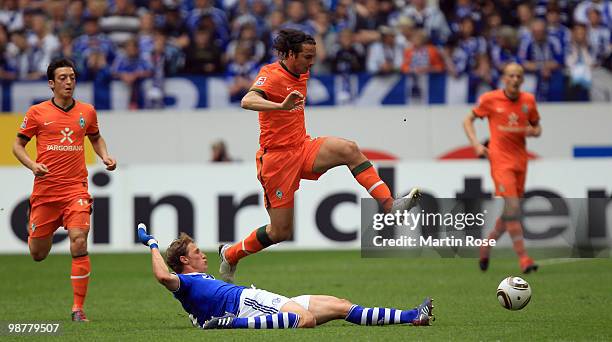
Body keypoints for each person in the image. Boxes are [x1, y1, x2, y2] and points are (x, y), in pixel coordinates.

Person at [218, 29, 420, 283]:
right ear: (290, 54)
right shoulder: (270, 74)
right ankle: (231, 254)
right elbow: (247, 100)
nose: (311, 62)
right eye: (307, 57)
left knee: (349, 149)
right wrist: (280, 106)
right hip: (277, 160)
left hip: (302, 147)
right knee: (280, 231)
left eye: (313, 56)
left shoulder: (302, 71)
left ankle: (390, 205)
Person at [137, 224, 434, 329]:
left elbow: (202, 308)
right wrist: (152, 244)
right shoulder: (184, 282)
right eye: (198, 252)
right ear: (185, 260)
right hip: (247, 304)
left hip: (253, 301)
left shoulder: (203, 283)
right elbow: (164, 277)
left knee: (341, 304)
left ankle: (412, 316)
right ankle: (234, 325)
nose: (203, 255)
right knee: (305, 320)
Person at [12, 57, 117, 322]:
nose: (69, 82)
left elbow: (95, 137)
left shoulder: (87, 111)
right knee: (38, 254)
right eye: (62, 78)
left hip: (75, 189)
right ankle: (33, 220)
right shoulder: (37, 113)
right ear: (51, 83)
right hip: (46, 192)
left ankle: (77, 309)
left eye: (72, 77)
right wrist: (32, 165)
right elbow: (17, 146)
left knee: (79, 239)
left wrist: (104, 155)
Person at [462, 62, 541, 274]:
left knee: (510, 210)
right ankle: (524, 258)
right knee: (513, 207)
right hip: (500, 160)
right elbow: (467, 120)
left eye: (518, 76)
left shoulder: (529, 101)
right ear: (504, 79)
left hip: (520, 161)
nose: (515, 79)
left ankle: (486, 245)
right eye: (511, 76)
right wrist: (477, 144)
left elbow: (537, 126)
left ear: (522, 80)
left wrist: (534, 131)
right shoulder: (490, 100)